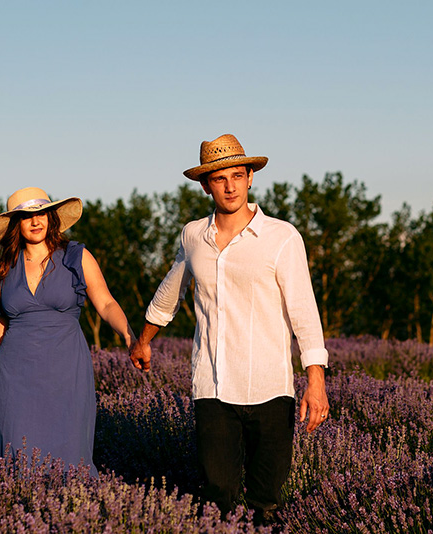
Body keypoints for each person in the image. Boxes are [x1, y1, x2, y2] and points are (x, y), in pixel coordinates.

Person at [130, 134, 329, 523]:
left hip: (270, 388)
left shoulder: (282, 237)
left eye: (238, 175)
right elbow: (169, 294)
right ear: (206, 185)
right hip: (213, 387)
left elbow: (304, 311)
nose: (231, 186)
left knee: (266, 500)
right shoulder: (192, 236)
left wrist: (315, 381)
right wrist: (143, 342)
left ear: (251, 177)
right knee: (217, 496)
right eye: (220, 179)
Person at [0, 187, 135, 477]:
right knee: (17, 458)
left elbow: (106, 303)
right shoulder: (5, 268)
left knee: (71, 457)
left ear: (51, 218)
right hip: (15, 378)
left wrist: (129, 335)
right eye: (26, 216)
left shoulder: (75, 257)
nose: (35, 222)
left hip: (66, 372)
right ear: (16, 225)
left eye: (41, 214)